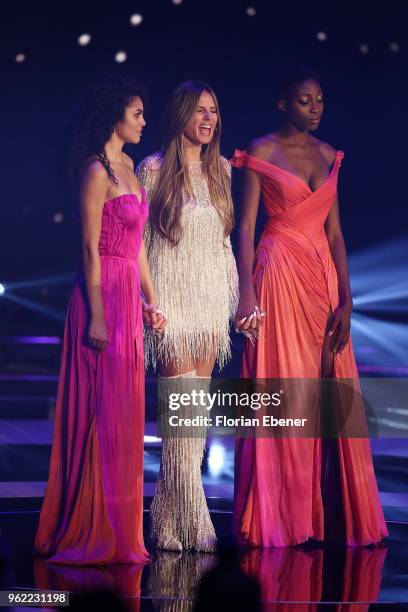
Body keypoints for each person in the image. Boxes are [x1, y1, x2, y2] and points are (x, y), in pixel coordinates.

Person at [232, 66, 388, 547]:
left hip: (323, 280)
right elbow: (245, 228)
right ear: (284, 104)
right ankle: (281, 516)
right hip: (277, 275)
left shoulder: (328, 155)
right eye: (305, 100)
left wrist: (348, 297)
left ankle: (329, 516)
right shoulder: (261, 150)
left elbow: (336, 233)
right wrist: (246, 292)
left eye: (320, 99)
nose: (315, 108)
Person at [34, 75, 166, 565]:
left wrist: (151, 300)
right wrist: (96, 314)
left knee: (124, 414)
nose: (144, 122)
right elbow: (90, 248)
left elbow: (139, 251)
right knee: (99, 412)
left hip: (128, 297)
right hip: (101, 298)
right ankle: (89, 529)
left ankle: (118, 528)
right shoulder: (97, 170)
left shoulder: (130, 166)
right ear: (114, 115)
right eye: (137, 114)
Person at [136, 80, 238, 552]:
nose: (208, 119)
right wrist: (148, 300)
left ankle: (167, 521)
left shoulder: (221, 170)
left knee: (193, 422)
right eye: (199, 110)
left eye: (213, 111)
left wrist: (236, 303)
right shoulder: (152, 170)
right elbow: (137, 242)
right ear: (180, 115)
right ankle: (198, 522)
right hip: (171, 301)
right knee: (178, 416)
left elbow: (224, 244)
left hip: (211, 301)